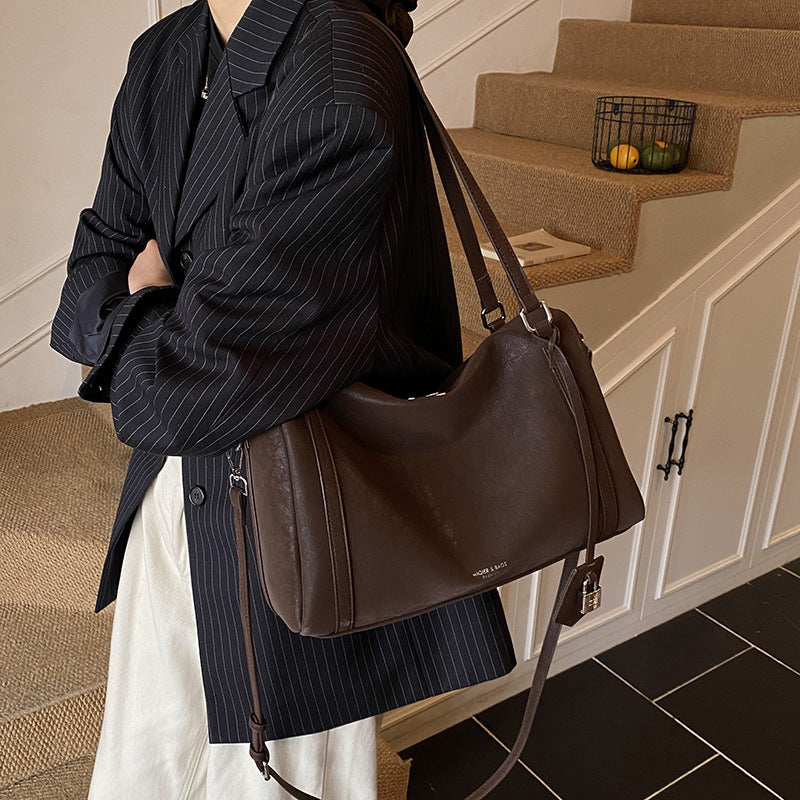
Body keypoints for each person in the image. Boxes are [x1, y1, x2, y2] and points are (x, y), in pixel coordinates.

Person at [50, 0, 518, 796]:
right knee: (155, 761)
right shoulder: (164, 51)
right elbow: (92, 268)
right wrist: (161, 321)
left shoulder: (339, 64)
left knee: (269, 775)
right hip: (175, 494)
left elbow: (181, 392)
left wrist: (144, 298)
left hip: (296, 517)